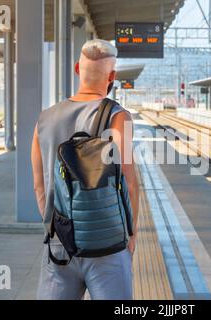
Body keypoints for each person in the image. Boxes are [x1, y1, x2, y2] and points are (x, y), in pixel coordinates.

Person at [31, 39, 139, 300]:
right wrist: (131, 236)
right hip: (108, 244)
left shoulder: (44, 118)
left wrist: (54, 228)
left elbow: (39, 184)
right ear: (112, 77)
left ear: (78, 68)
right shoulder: (117, 116)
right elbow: (130, 181)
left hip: (60, 246)